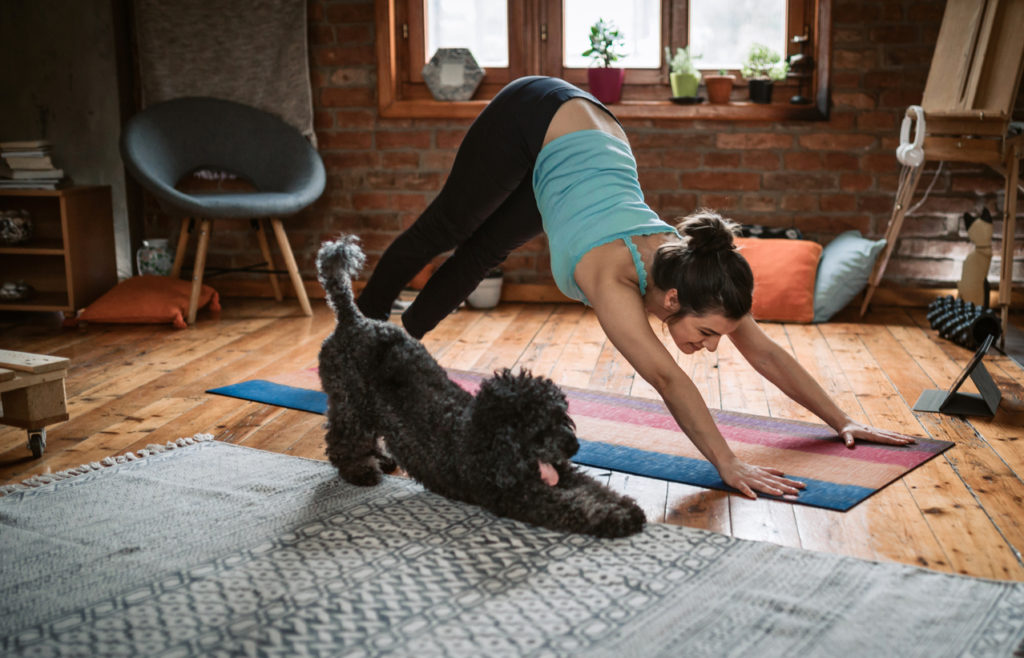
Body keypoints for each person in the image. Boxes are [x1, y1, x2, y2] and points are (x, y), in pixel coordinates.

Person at [357, 76, 917, 499]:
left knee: (485, 251)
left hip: (587, 139)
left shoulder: (700, 277)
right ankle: (360, 330)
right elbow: (668, 378)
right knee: (449, 229)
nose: (714, 345)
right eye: (707, 333)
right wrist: (727, 463)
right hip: (536, 113)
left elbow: (763, 349)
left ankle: (398, 340)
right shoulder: (612, 279)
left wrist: (840, 419)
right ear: (672, 301)